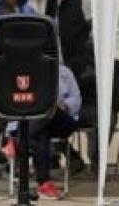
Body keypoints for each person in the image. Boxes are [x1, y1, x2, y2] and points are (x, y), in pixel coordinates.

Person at [40, 0, 93, 172]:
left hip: (81, 71)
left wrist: (88, 61)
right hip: (56, 69)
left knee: (79, 115)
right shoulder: (51, 2)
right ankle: (71, 155)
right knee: (51, 115)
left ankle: (93, 158)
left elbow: (95, 32)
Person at [23, 63, 82, 200]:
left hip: (64, 120)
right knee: (41, 135)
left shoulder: (65, 72)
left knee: (51, 108)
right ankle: (44, 183)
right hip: (41, 124)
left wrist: (65, 105)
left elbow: (77, 100)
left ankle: (18, 142)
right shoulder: (31, 72)